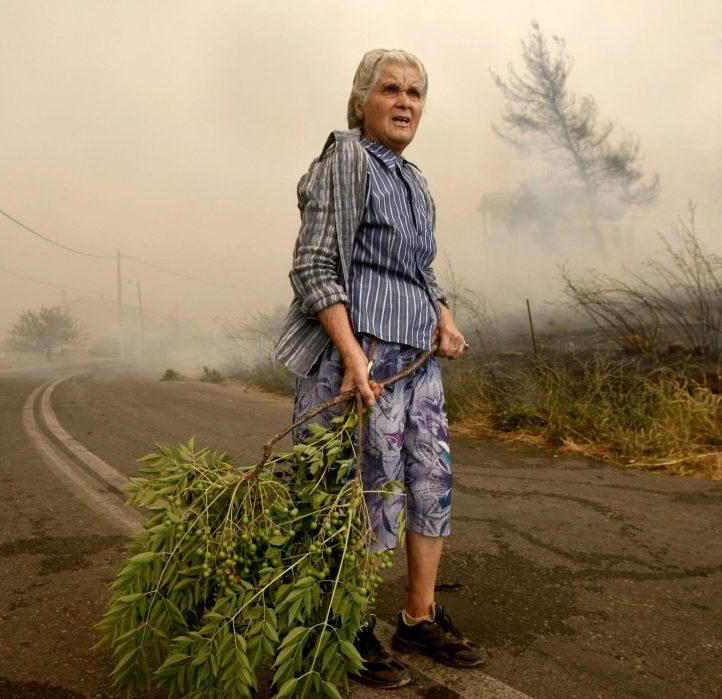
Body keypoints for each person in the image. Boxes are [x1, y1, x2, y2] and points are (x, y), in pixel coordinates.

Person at [275, 49, 485, 689]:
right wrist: (351, 354)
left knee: (430, 485)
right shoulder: (347, 159)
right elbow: (313, 265)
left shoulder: (413, 179)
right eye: (390, 89)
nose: (405, 102)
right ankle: (347, 626)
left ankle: (418, 618)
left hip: (416, 365)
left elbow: (420, 270)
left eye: (416, 93)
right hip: (362, 364)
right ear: (361, 100)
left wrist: (443, 314)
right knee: (365, 499)